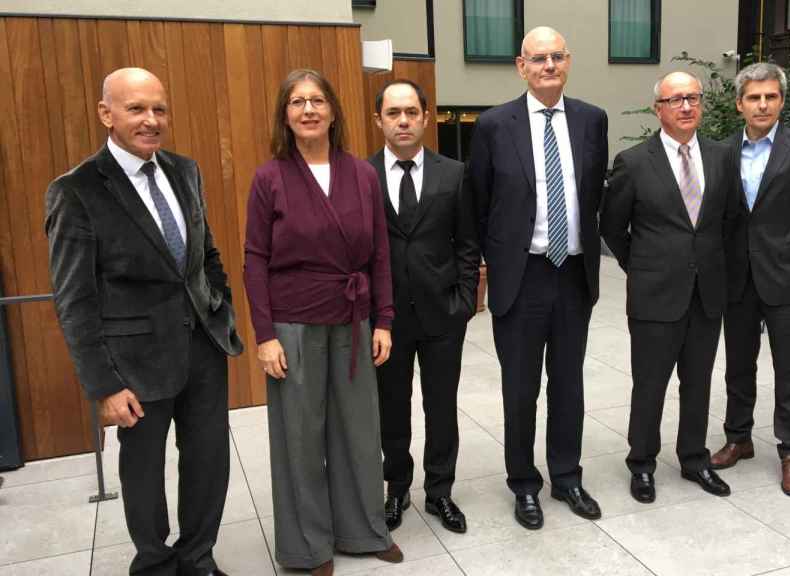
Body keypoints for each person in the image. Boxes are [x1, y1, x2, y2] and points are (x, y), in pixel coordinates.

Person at [45, 67, 243, 576]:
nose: (151, 120)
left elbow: (206, 253)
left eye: (159, 108)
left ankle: (198, 558)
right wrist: (104, 385)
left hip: (202, 349)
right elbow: (74, 300)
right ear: (106, 114)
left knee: (207, 464)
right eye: (136, 109)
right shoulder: (77, 191)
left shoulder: (185, 170)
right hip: (134, 366)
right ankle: (154, 565)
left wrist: (218, 306)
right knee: (143, 476)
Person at [243, 69, 402, 575]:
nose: (308, 110)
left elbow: (379, 252)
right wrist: (265, 336)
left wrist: (385, 319)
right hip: (293, 322)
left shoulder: (362, 174)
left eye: (317, 101)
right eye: (296, 102)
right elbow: (253, 260)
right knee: (301, 437)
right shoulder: (269, 178)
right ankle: (307, 546)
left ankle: (362, 529)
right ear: (285, 116)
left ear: (334, 111)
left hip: (354, 320)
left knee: (358, 430)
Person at [468, 26, 608, 529]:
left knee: (568, 385)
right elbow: (478, 204)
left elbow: (594, 197)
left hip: (572, 274)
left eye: (557, 57)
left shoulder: (593, 121)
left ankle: (567, 476)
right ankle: (523, 483)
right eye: (538, 59)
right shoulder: (492, 125)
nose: (548, 66)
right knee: (520, 388)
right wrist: (491, 264)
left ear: (568, 62)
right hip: (521, 276)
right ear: (520, 66)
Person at [601, 71, 742, 502]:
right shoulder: (633, 161)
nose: (686, 106)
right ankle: (641, 463)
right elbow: (611, 227)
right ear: (657, 108)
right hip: (655, 295)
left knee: (698, 382)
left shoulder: (721, 157)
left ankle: (694, 459)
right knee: (650, 384)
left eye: (693, 98)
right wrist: (643, 266)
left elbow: (731, 222)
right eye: (675, 99)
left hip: (707, 294)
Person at [713, 62, 790, 497]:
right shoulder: (722, 152)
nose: (762, 104)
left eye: (770, 96)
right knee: (738, 366)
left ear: (781, 100)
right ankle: (738, 438)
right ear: (739, 103)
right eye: (753, 97)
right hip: (738, 280)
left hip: (787, 279)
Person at [370, 79, 479, 534]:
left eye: (411, 112)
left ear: (425, 117)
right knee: (391, 409)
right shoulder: (361, 175)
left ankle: (440, 492)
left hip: (442, 314)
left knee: (441, 407)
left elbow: (468, 242)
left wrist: (466, 299)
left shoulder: (454, 174)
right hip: (387, 321)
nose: (402, 121)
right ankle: (397, 489)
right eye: (393, 113)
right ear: (379, 120)